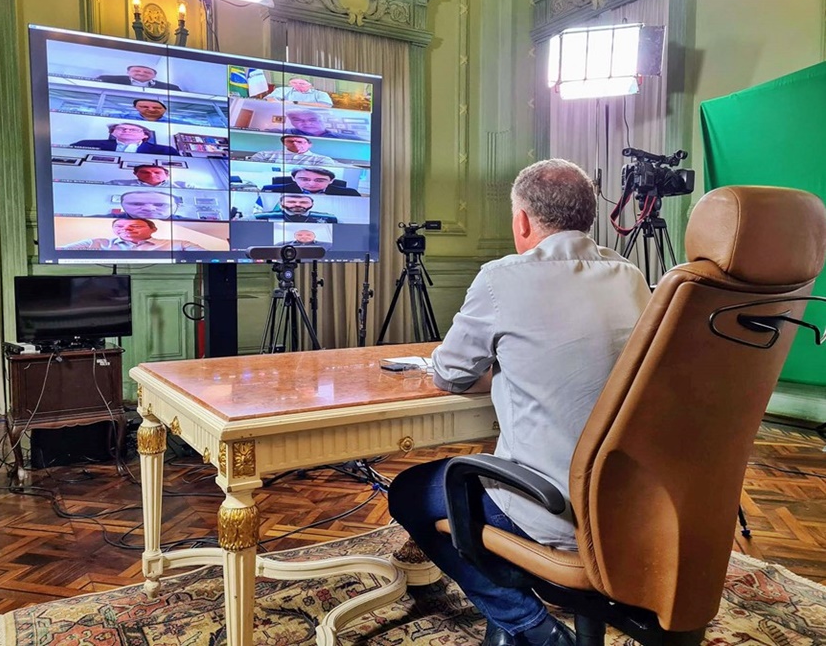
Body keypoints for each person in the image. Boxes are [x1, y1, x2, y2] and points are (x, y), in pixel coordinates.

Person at [388, 159, 651, 646]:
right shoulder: (631, 276)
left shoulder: (501, 279)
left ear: (523, 221)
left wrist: (497, 370)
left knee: (408, 492)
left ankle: (532, 627)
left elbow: (449, 374)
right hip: (626, 508)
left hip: (551, 509)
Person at [61, 218, 206, 251]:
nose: (126, 229)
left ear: (153, 229)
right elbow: (61, 251)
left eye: (135, 226)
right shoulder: (95, 243)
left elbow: (208, 257)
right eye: (119, 227)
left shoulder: (180, 244)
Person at [71, 123, 179, 155]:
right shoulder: (85, 144)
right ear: (112, 132)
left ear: (145, 135)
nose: (126, 131)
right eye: (121, 128)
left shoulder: (166, 151)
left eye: (133, 130)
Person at [262, 167, 361, 196]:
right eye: (304, 179)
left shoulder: (350, 193)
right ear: (293, 178)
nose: (312, 184)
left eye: (320, 180)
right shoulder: (271, 190)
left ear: (331, 181)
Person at [248, 135, 337, 166]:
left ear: (310, 145)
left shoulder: (323, 159)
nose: (295, 144)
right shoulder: (263, 155)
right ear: (284, 143)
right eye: (290, 141)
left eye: (300, 142)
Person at [283, 110, 363, 141]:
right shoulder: (281, 133)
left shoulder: (354, 139)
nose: (306, 123)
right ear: (291, 122)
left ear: (323, 120)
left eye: (313, 119)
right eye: (298, 120)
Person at [253, 195, 338, 223]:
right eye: (291, 202)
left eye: (304, 202)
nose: (297, 204)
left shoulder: (330, 218)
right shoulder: (259, 217)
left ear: (312, 204)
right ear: (281, 203)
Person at [114, 191, 196, 220]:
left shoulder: (194, 225)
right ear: (122, 205)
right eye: (136, 204)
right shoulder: (109, 219)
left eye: (161, 205)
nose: (149, 209)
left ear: (177, 207)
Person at [95, 65, 182, 91]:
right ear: (128, 72)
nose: (141, 73)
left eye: (147, 72)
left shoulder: (171, 88)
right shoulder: (106, 79)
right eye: (136, 71)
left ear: (154, 76)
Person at [265, 77, 333, 107]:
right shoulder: (282, 89)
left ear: (311, 86)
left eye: (302, 83)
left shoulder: (321, 94)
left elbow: (326, 105)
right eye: (294, 83)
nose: (297, 85)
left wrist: (295, 103)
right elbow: (269, 99)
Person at [108, 165, 193, 188]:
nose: (152, 175)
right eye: (145, 172)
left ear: (167, 175)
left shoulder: (184, 186)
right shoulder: (116, 183)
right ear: (135, 174)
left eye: (157, 172)